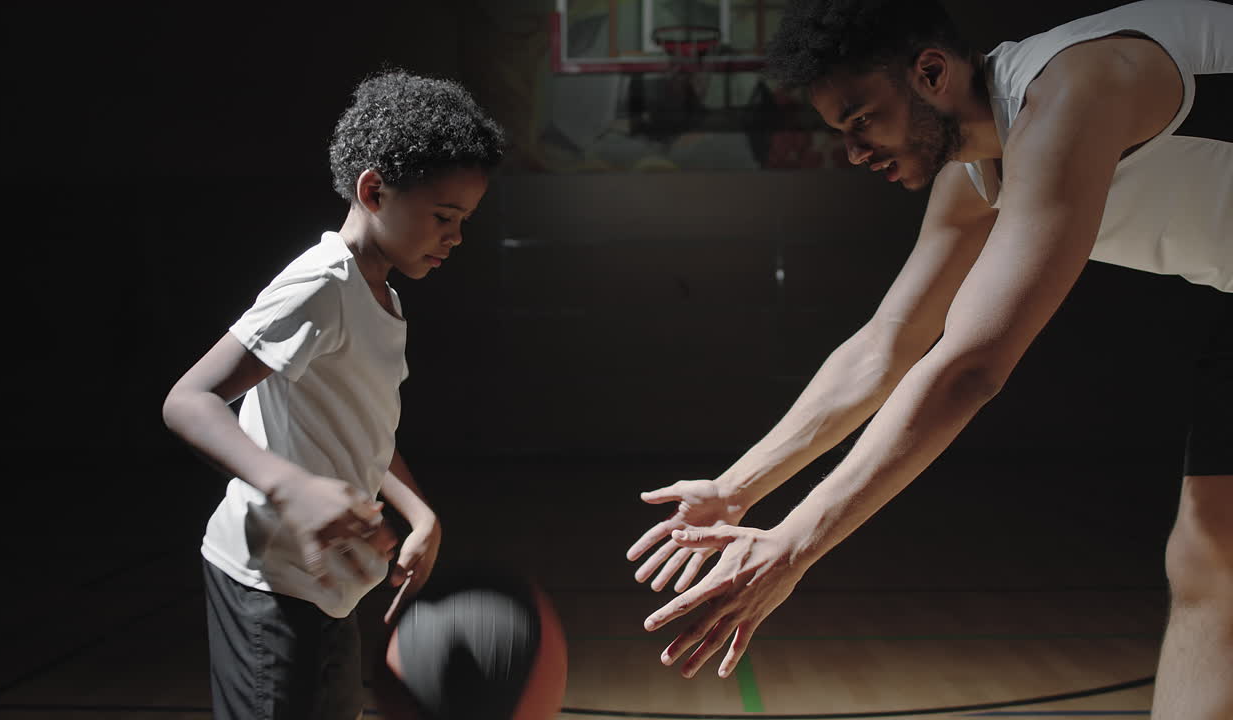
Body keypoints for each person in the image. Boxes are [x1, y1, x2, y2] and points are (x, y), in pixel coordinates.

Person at [626, 1, 1231, 716]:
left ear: (932, 72)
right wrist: (739, 488)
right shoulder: (977, 170)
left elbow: (972, 366)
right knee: (1209, 563)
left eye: (862, 120)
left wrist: (792, 546)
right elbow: (888, 345)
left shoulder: (1075, 87)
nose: (854, 152)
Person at [162, 69, 505, 719]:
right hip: (269, 580)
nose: (455, 237)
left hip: (333, 585)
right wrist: (292, 487)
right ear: (374, 190)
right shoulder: (321, 283)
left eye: (464, 221)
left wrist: (418, 511)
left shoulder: (385, 297)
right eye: (443, 216)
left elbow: (362, 430)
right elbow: (189, 400)